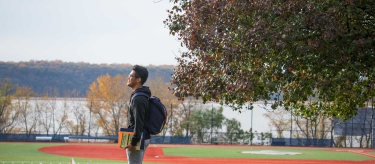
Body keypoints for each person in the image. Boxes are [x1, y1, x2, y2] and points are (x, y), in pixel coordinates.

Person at [125, 65, 151, 164]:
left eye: (131, 76)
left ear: (138, 79)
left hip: (139, 139)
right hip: (142, 137)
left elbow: (138, 123)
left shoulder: (138, 99)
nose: (128, 77)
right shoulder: (141, 95)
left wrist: (133, 142)